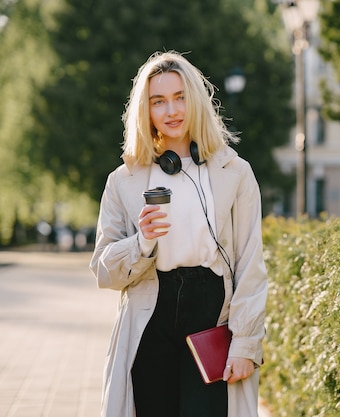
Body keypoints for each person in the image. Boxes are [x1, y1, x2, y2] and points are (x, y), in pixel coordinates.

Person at [89, 50, 268, 417]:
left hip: (211, 321)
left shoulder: (234, 172)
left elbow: (251, 263)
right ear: (146, 110)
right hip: (151, 318)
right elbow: (104, 272)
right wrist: (141, 243)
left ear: (196, 100)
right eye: (158, 101)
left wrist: (246, 345)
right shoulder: (123, 181)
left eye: (180, 97)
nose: (171, 111)